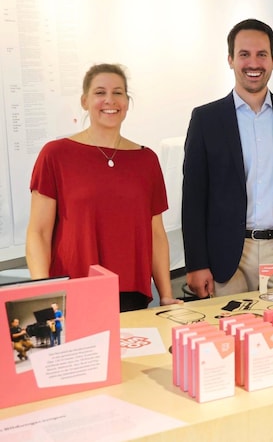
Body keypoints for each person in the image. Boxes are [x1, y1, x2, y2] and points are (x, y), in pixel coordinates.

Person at [182, 18, 273, 298]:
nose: (253, 63)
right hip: (226, 254)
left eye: (262, 54)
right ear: (230, 59)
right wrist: (197, 263)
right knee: (230, 335)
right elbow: (193, 199)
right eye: (244, 54)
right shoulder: (206, 119)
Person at [26, 63, 181, 312]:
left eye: (118, 92)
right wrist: (44, 292)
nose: (110, 100)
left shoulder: (146, 159)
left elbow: (156, 235)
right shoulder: (56, 155)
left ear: (127, 103)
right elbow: (39, 233)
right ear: (85, 100)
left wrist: (166, 295)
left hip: (131, 294)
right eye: (100, 92)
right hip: (73, 290)